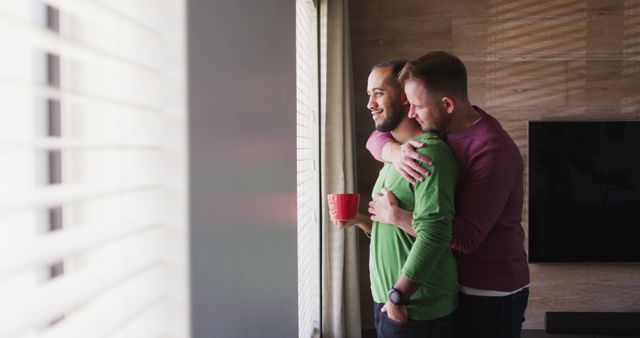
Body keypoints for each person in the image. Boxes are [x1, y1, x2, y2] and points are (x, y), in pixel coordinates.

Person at [367, 51, 530, 338]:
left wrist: (398, 217)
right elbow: (375, 137)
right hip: (456, 282)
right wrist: (396, 152)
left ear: (447, 104)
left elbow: (466, 238)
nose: (412, 113)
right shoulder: (443, 126)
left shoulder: (492, 150)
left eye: (417, 105)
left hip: (491, 289)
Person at [336, 59, 459, 338]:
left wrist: (397, 298)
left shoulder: (428, 155)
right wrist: (364, 222)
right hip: (392, 305)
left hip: (416, 310)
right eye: (369, 94)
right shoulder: (396, 156)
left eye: (378, 93)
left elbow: (435, 235)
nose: (370, 104)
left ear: (405, 97)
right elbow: (401, 234)